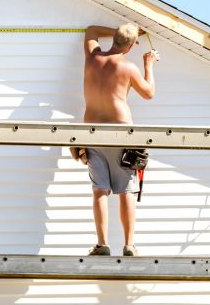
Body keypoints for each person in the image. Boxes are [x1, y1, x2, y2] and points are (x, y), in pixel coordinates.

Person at [81, 24, 158, 257]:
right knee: (126, 190)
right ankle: (129, 244)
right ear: (132, 46)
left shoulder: (93, 58)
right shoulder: (128, 67)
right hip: (120, 131)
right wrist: (149, 64)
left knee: (100, 190)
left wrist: (123, 30)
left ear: (114, 37)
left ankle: (102, 244)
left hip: (92, 132)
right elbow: (149, 92)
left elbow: (91, 31)